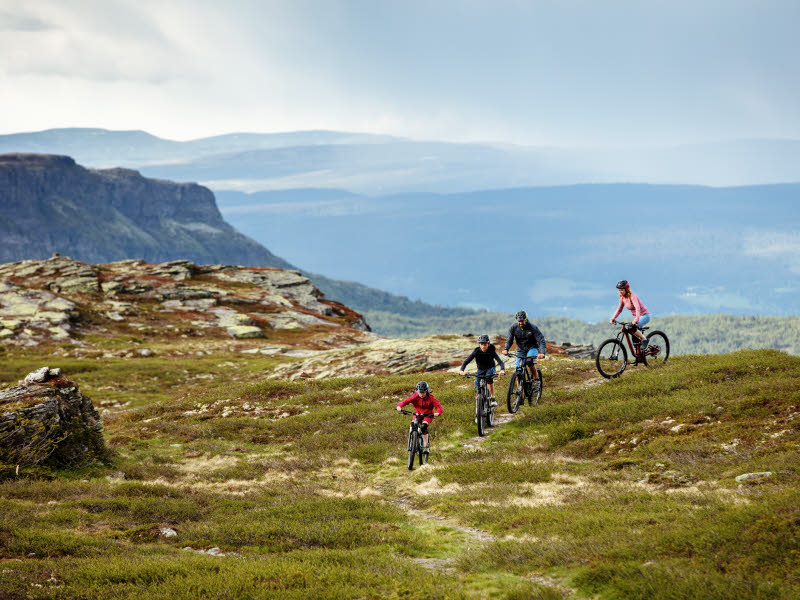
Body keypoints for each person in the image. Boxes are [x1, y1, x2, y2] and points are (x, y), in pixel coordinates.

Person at [502, 310, 546, 392]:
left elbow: (541, 340)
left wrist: (542, 353)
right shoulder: (513, 328)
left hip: (532, 348)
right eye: (519, 321)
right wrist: (506, 349)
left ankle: (536, 380)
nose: (520, 322)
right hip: (520, 350)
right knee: (518, 370)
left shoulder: (533, 328)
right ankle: (519, 394)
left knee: (529, 361)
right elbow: (509, 339)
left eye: (522, 321)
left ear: (526, 319)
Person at [396, 381, 443, 455]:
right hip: (418, 414)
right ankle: (412, 442)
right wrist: (399, 406)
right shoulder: (415, 396)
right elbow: (406, 401)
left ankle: (425, 446)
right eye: (420, 392)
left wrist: (437, 413)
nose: (421, 394)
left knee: (424, 427)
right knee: (412, 425)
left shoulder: (431, 398)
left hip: (428, 415)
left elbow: (439, 407)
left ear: (426, 391)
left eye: (423, 392)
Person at [459, 334, 505, 407]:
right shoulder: (476, 351)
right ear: (479, 345)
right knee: (477, 383)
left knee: (489, 378)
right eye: (482, 344)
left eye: (485, 344)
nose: (483, 346)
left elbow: (500, 362)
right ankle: (478, 400)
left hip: (490, 368)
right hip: (480, 369)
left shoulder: (491, 351)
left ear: (488, 344)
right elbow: (466, 361)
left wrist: (502, 370)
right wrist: (462, 370)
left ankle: (493, 398)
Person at [609, 280, 652, 354]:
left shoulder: (632, 296)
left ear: (626, 289)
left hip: (644, 316)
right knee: (633, 336)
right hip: (637, 317)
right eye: (619, 290)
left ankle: (644, 339)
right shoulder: (622, 298)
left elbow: (637, 308)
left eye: (622, 290)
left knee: (632, 328)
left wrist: (636, 320)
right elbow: (619, 310)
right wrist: (613, 318)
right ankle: (638, 356)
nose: (620, 292)